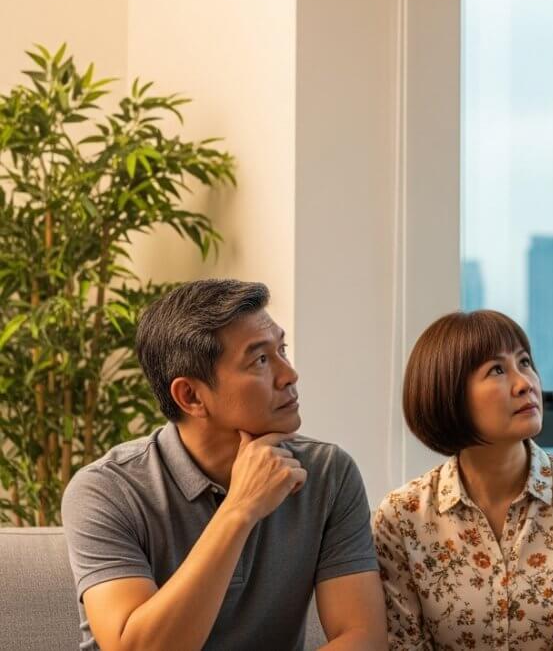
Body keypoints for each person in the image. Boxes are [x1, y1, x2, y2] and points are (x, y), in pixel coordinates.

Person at [61, 279, 387, 650]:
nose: (289, 375)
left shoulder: (329, 473)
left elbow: (363, 636)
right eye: (260, 360)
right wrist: (239, 510)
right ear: (191, 396)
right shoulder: (106, 490)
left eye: (282, 349)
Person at [374, 310, 553, 650]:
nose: (525, 383)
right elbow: (404, 644)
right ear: (449, 394)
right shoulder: (401, 517)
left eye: (524, 363)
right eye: (497, 370)